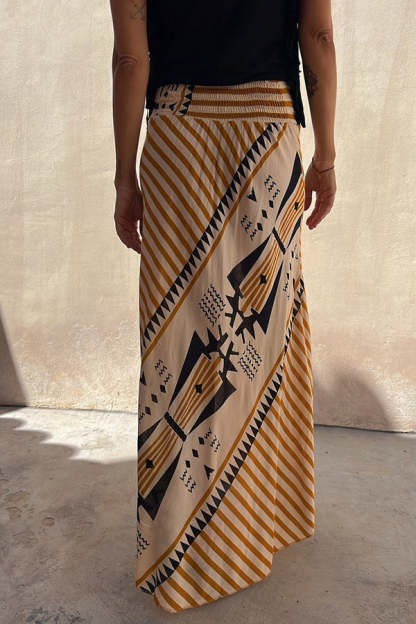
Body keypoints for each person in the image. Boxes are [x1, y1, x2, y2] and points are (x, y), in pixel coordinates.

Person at [110, 0, 336, 613]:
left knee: (179, 339)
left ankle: (180, 555)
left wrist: (125, 177)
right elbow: (317, 36)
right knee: (259, 336)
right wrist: (325, 158)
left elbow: (131, 58)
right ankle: (261, 524)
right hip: (268, 132)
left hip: (178, 136)